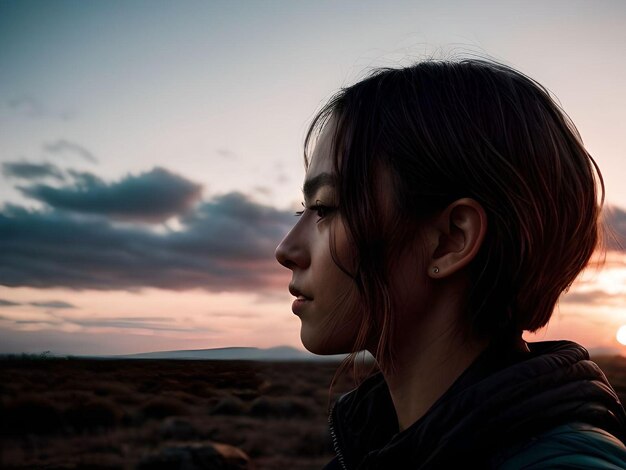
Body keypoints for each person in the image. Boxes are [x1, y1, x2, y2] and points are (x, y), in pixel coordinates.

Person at [274, 58, 626, 469]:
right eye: (304, 208)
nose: (286, 249)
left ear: (451, 241)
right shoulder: (375, 448)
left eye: (325, 207)